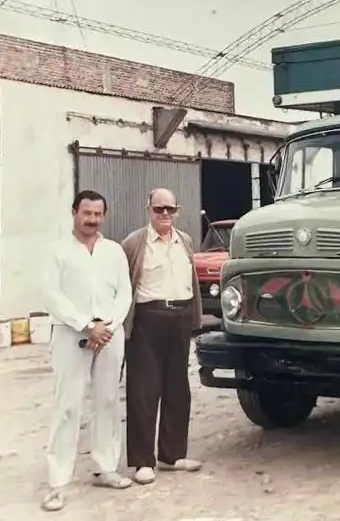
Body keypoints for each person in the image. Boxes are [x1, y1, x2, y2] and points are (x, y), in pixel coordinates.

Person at [41, 190, 134, 512]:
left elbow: (125, 292)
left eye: (97, 214)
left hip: (109, 334)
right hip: (70, 334)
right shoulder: (57, 252)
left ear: (103, 216)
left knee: (108, 401)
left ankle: (105, 468)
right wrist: (85, 325)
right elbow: (52, 296)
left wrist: (107, 326)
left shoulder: (114, 251)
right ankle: (57, 483)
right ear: (74, 213)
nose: (92, 220)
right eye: (86, 213)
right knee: (67, 405)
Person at [121, 188, 203, 485]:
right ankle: (143, 461)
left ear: (177, 210)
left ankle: (172, 455)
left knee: (177, 388)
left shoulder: (186, 242)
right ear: (149, 210)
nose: (165, 214)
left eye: (170, 209)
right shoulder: (134, 243)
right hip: (147, 319)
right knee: (144, 390)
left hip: (179, 318)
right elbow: (122, 281)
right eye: (159, 209)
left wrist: (194, 318)